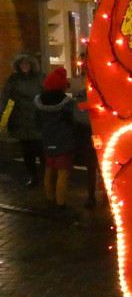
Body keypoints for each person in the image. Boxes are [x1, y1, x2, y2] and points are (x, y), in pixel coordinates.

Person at [34, 67, 76, 212]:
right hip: (64, 142)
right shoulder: (67, 103)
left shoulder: (39, 101)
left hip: (47, 141)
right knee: (62, 173)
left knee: (49, 170)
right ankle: (61, 203)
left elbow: (37, 123)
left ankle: (50, 199)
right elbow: (73, 121)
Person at [0, 53, 45, 187]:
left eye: (27, 64)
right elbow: (5, 97)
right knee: (27, 152)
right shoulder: (14, 79)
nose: (25, 66)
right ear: (18, 66)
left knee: (41, 151)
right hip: (21, 120)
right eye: (22, 64)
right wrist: (2, 114)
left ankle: (47, 178)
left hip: (38, 119)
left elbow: (47, 94)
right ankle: (33, 177)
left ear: (32, 65)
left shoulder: (40, 78)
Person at [69, 51, 99, 208]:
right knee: (91, 165)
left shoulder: (99, 78)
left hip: (97, 127)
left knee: (98, 164)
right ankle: (92, 195)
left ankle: (100, 194)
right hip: (85, 128)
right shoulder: (79, 81)